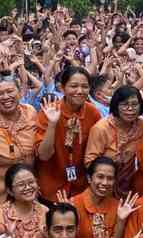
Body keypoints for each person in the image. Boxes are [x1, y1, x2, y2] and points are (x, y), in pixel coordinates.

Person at [35, 67, 102, 201]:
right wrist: (52, 124)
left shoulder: (93, 113)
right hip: (51, 186)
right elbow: (43, 155)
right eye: (73, 86)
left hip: (81, 187)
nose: (79, 91)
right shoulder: (48, 112)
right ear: (62, 88)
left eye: (84, 86)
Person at [84, 85, 143, 195]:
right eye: (124, 104)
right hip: (105, 186)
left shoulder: (141, 124)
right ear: (116, 106)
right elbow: (89, 162)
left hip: (130, 185)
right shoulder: (101, 129)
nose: (130, 109)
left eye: (134, 104)